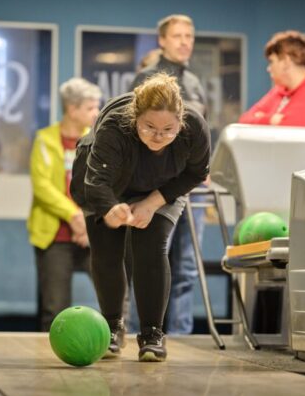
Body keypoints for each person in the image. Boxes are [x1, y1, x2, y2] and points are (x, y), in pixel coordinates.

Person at [71, 73, 210, 361]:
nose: (158, 137)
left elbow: (197, 173)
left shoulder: (194, 128)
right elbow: (97, 183)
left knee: (151, 247)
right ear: (135, 118)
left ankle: (152, 334)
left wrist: (152, 202)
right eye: (149, 127)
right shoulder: (114, 127)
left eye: (168, 129)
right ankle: (112, 328)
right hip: (107, 184)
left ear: (181, 120)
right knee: (107, 250)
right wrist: (111, 209)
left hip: (163, 186)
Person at [130, 14, 208, 335]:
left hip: (191, 185)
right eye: (177, 35)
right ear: (162, 40)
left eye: (189, 36)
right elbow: (134, 133)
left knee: (187, 267)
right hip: (155, 188)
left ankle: (180, 335)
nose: (184, 41)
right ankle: (139, 331)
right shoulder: (146, 79)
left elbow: (203, 134)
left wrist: (204, 171)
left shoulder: (196, 83)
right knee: (149, 262)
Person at [27, 77, 101, 331]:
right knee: (55, 308)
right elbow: (42, 186)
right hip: (54, 236)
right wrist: (73, 216)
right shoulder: (45, 139)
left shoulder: (98, 140)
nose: (97, 112)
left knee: (115, 298)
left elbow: (103, 184)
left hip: (92, 234)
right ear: (72, 109)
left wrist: (86, 221)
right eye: (91, 107)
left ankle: (114, 341)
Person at [239, 30, 305, 167]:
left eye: (272, 62)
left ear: (286, 61)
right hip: (287, 172)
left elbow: (288, 133)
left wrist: (263, 118)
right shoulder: (279, 91)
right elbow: (244, 120)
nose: (268, 69)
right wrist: (270, 120)